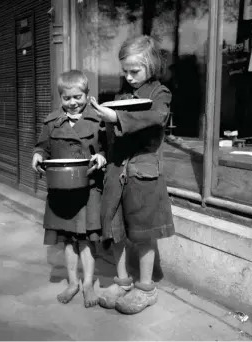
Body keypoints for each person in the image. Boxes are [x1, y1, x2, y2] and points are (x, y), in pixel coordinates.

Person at [90, 35, 175, 314]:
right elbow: (110, 136)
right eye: (125, 71)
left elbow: (156, 117)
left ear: (150, 65)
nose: (128, 76)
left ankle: (146, 288)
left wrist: (116, 118)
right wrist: (103, 152)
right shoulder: (120, 98)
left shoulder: (160, 94)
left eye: (134, 71)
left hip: (142, 172)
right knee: (115, 230)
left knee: (143, 232)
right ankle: (123, 281)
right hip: (116, 172)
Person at [32, 70, 106, 308]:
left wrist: (102, 158)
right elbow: (43, 147)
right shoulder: (51, 122)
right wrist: (37, 155)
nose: (73, 102)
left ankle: (87, 284)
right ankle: (73, 282)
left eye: (78, 97)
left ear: (87, 94)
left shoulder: (98, 121)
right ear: (60, 98)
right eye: (67, 98)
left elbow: (106, 149)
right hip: (61, 190)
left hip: (88, 188)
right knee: (67, 239)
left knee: (85, 239)